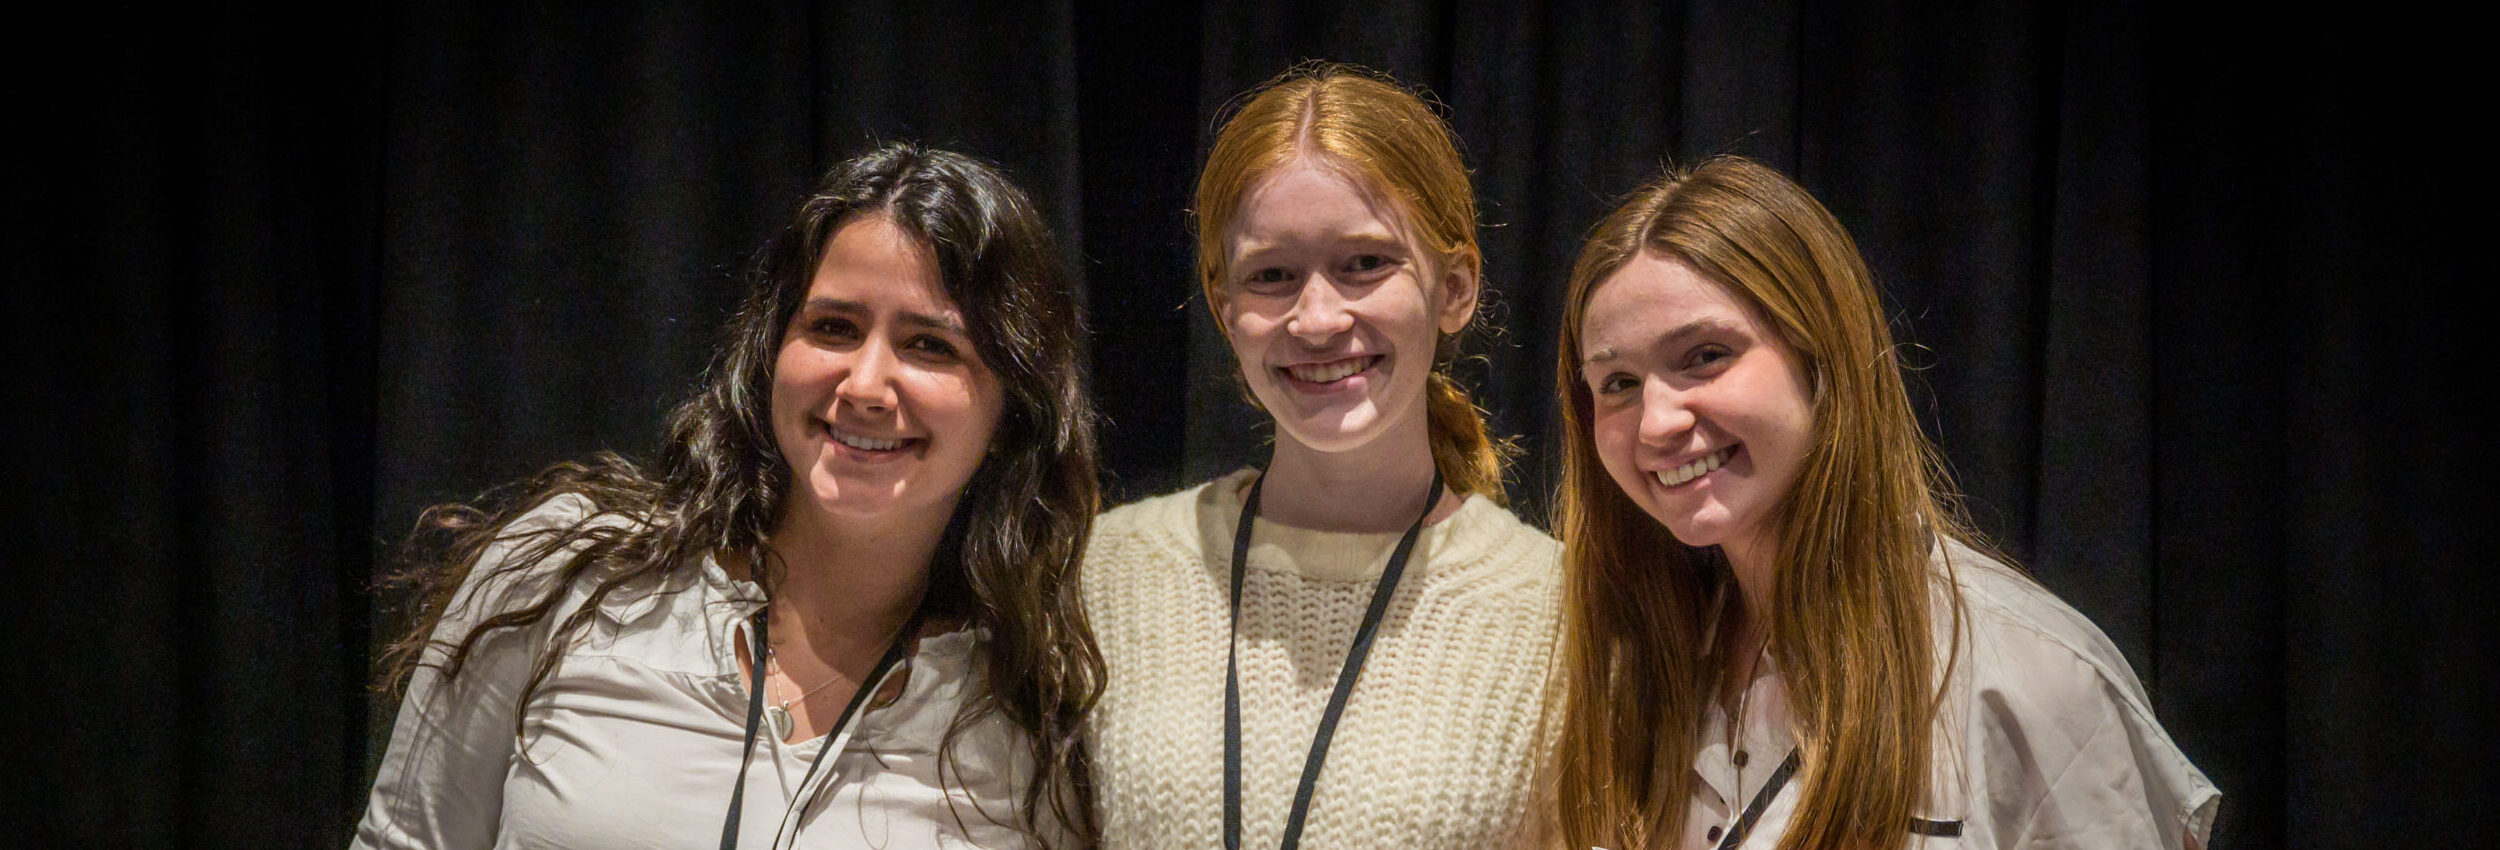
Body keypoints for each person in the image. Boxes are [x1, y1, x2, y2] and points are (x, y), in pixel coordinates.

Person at [353, 143, 1103, 850]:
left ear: (1014, 411)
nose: (866, 385)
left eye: (929, 345)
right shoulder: (569, 572)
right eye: (834, 327)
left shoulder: (1030, 715)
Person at [1547, 156, 2220, 849]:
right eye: (1619, 383)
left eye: (1705, 355)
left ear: (1823, 357)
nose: (1656, 422)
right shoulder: (1642, 670)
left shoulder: (2033, 680)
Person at [1080, 64, 1565, 849]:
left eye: (1365, 263)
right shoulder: (1106, 574)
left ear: (1456, 287)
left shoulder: (1562, 614)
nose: (1316, 317)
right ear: (1222, 306)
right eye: (1272, 275)